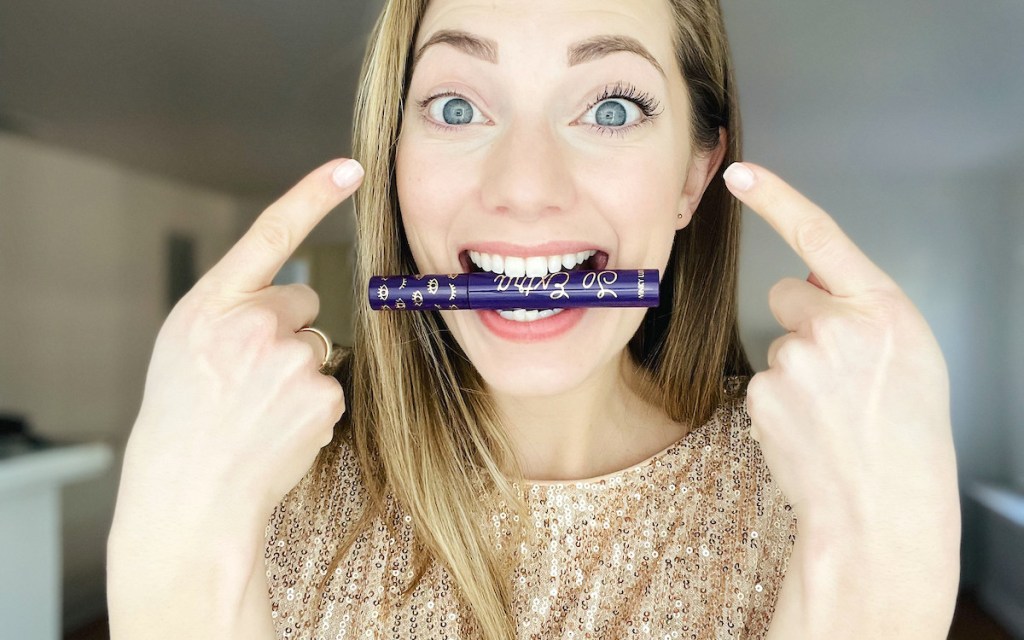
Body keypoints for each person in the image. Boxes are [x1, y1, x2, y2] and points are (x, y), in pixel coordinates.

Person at [106, 0, 961, 638]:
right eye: (456, 106)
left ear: (695, 176)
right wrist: (180, 523)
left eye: (612, 107)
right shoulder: (263, 487)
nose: (524, 184)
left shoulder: (819, 492)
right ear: (393, 155)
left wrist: (871, 569)